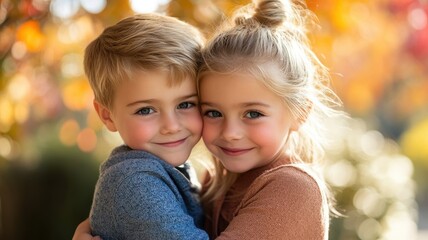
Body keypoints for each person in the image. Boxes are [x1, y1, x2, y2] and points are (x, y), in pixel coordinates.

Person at [74, 0, 344, 239]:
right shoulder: (213, 181)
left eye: (253, 114)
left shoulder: (292, 188)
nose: (231, 132)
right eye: (213, 112)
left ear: (300, 112)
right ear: (107, 115)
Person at [78, 13, 210, 240]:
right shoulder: (135, 183)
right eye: (146, 110)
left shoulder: (165, 166)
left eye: (185, 104)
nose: (171, 126)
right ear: (108, 116)